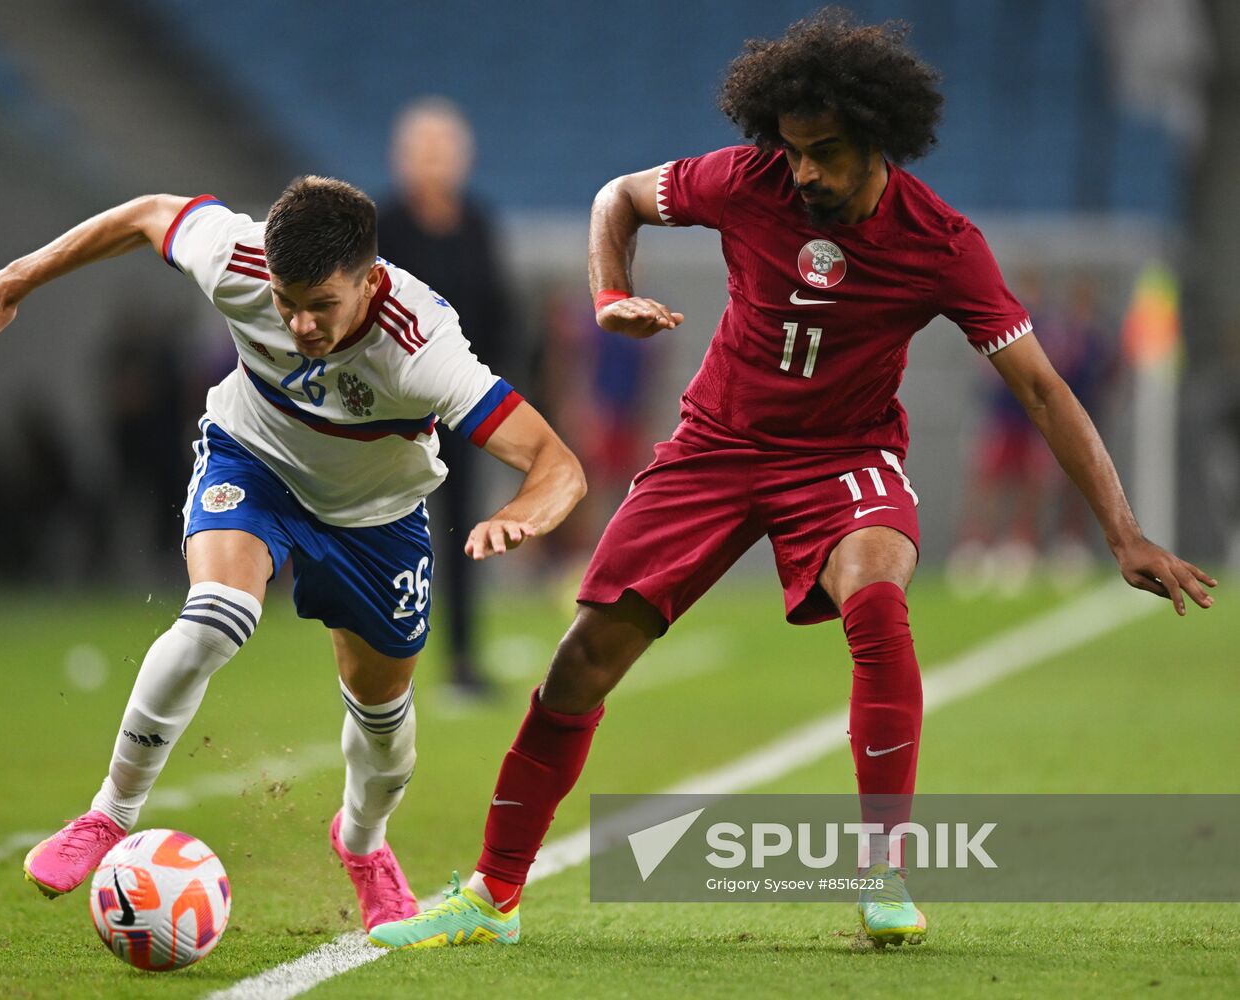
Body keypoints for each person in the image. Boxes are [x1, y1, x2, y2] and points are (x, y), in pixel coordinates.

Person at [368, 10, 1215, 951]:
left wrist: (1123, 530)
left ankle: (883, 874)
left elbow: (1044, 391)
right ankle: (493, 893)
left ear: (879, 140)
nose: (803, 170)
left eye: (827, 153)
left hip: (846, 457)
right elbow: (618, 198)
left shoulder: (943, 244)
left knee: (878, 600)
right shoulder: (748, 178)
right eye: (793, 149)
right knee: (581, 661)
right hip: (715, 447)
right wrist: (611, 293)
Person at [0, 176, 585, 931]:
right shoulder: (236, 259)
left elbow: (557, 465)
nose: (299, 324)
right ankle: (109, 813)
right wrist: (16, 280)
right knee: (215, 616)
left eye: (321, 306)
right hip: (255, 462)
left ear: (370, 282)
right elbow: (145, 214)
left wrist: (523, 514)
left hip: (376, 517)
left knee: (384, 730)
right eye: (285, 301)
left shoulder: (422, 346)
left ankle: (363, 845)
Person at [377, 97, 516, 693]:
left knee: (464, 535)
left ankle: (461, 661)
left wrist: (490, 393)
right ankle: (381, 663)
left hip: (459, 408)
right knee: (385, 534)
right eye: (423, 150)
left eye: (445, 150)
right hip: (386, 411)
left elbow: (500, 312)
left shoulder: (479, 223)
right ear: (401, 158)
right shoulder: (381, 224)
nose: (435, 162)